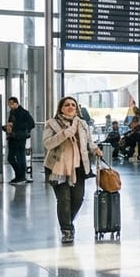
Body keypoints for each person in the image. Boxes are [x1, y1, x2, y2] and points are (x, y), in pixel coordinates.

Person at [43, 96, 102, 244]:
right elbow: (47, 144)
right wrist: (65, 133)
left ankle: (67, 222)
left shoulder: (81, 124)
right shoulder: (52, 124)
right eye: (67, 105)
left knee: (78, 199)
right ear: (61, 108)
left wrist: (95, 149)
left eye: (73, 105)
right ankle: (67, 230)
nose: (70, 107)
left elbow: (89, 142)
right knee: (64, 200)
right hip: (58, 168)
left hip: (79, 167)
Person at [4, 96, 35, 185]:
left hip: (20, 138)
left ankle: (21, 176)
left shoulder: (23, 112)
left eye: (11, 104)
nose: (9, 106)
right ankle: (19, 176)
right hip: (12, 137)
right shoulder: (12, 112)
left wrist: (16, 127)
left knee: (19, 157)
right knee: (12, 158)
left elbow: (31, 124)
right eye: (9, 104)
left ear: (16, 103)